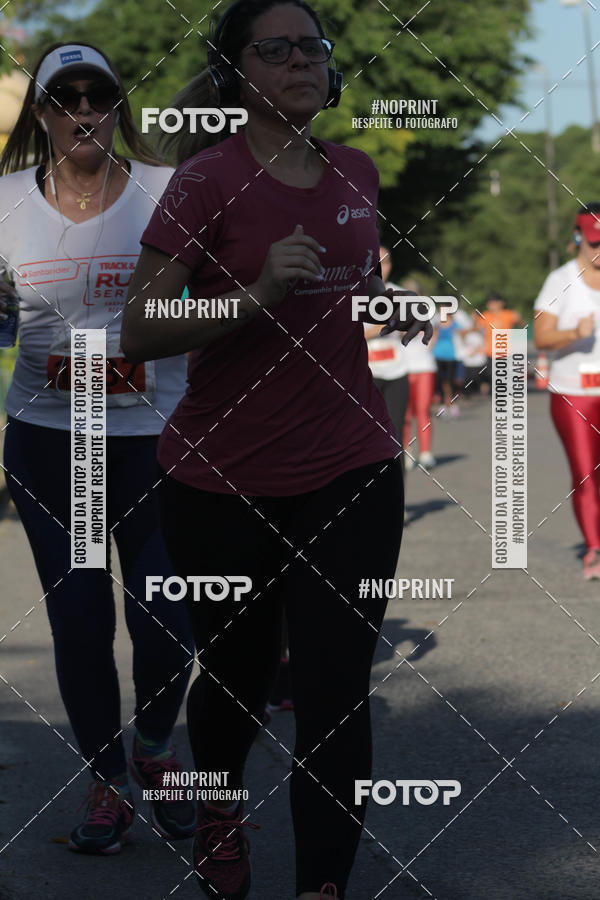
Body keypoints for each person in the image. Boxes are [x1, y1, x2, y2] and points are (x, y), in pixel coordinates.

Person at [120, 2, 432, 898]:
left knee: (337, 699)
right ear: (237, 74)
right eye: (279, 48)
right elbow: (141, 329)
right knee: (236, 684)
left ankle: (320, 887)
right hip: (223, 477)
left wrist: (385, 309)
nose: (303, 60)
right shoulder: (205, 183)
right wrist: (254, 294)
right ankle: (218, 808)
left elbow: (349, 299)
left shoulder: (359, 173)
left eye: (314, 47)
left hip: (352, 463)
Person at [0, 43, 196, 855]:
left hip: (158, 442)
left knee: (164, 623)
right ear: (41, 113)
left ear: (118, 106)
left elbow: (219, 298)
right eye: (65, 96)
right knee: (80, 622)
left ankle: (154, 744)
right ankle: (107, 780)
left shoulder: (168, 190)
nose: (85, 108)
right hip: (53, 445)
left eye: (100, 94)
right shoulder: (6, 201)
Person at [534, 202, 600, 580]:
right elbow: (541, 336)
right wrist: (574, 333)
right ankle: (594, 549)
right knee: (587, 474)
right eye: (594, 242)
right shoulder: (561, 280)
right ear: (577, 237)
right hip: (575, 394)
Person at [363, 245, 409, 470]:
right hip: (364, 375)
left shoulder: (400, 294)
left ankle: (398, 503)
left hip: (396, 372)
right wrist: (378, 328)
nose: (381, 268)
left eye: (387, 262)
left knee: (395, 438)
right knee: (364, 440)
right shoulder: (352, 294)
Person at [400, 278, 438, 470]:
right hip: (402, 368)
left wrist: (427, 348)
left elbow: (435, 332)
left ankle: (426, 452)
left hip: (424, 367)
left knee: (423, 410)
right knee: (404, 414)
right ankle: (406, 452)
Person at [477, 291, 525, 394]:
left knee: (505, 374)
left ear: (501, 303)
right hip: (490, 351)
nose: (492, 305)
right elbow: (477, 330)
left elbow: (523, 325)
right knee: (490, 373)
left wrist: (520, 319)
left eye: (494, 302)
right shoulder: (485, 315)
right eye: (490, 302)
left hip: (506, 351)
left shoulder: (509, 314)